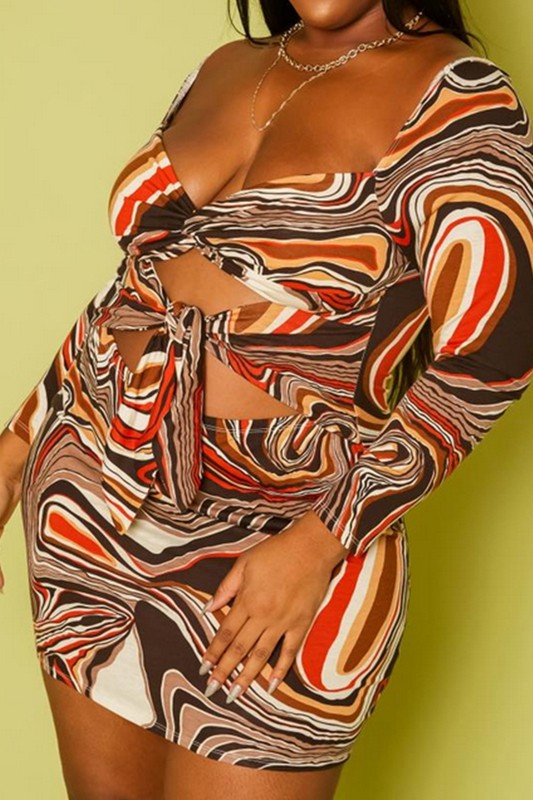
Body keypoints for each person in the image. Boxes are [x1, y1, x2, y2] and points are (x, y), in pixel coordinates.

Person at [1, 1, 533, 797]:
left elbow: (493, 355)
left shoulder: (458, 98)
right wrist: (16, 446)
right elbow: (135, 291)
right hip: (93, 500)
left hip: (289, 535)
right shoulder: (225, 68)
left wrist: (320, 544)